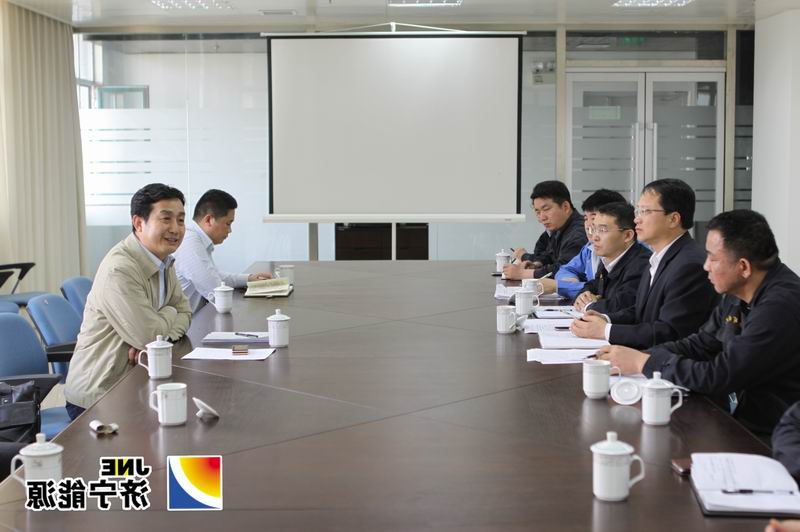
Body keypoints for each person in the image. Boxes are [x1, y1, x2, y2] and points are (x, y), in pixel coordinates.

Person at [596, 210, 800, 438]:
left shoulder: (779, 307)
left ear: (743, 267)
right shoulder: (739, 291)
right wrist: (639, 356)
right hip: (743, 418)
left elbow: (721, 375)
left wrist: (644, 362)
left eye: (713, 259)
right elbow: (701, 343)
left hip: (778, 436)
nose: (706, 266)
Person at [64, 184, 192, 420]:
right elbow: (149, 335)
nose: (175, 228)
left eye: (181, 220)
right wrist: (167, 316)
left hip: (137, 380)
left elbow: (185, 311)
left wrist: (160, 338)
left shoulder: (164, 261)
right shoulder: (120, 269)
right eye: (166, 219)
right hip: (100, 394)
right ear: (138, 223)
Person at [570, 178, 717, 349]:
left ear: (673, 219)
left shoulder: (689, 264)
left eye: (645, 212)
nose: (637, 219)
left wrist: (606, 330)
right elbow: (641, 312)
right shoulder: (658, 257)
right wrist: (606, 319)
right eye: (638, 211)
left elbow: (670, 332)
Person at [175, 189, 272, 312]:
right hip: (188, 322)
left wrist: (249, 278)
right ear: (209, 220)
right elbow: (215, 288)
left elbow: (215, 276)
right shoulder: (190, 241)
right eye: (228, 223)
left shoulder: (197, 239)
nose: (230, 230)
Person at [574, 201, 651, 314]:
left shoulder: (641, 264)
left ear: (627, 235)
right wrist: (584, 295)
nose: (594, 237)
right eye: (593, 229)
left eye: (602, 230)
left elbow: (623, 306)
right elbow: (593, 285)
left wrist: (588, 306)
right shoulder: (608, 258)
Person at [548, 189, 627, 298]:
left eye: (594, 218)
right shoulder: (590, 248)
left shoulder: (631, 254)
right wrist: (570, 282)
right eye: (586, 218)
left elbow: (604, 292)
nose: (588, 225)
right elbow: (566, 269)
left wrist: (563, 286)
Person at [504, 180, 586, 280]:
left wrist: (522, 274)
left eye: (546, 209)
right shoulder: (559, 227)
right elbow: (549, 255)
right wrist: (537, 264)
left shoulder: (580, 232)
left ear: (565, 207)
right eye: (538, 212)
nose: (542, 218)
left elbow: (565, 269)